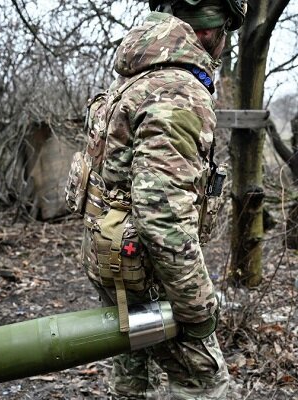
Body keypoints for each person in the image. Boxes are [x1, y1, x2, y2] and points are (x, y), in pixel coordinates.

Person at [66, 0, 247, 398]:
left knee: (132, 370)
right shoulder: (178, 91)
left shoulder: (136, 76)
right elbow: (161, 217)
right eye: (226, 33)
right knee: (204, 382)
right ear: (208, 31)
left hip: (112, 260)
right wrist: (199, 309)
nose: (224, 45)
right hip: (147, 270)